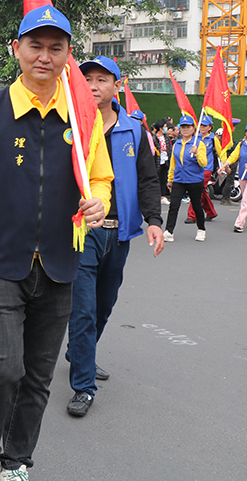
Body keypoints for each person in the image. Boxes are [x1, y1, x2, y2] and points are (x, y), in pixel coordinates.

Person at [0, 5, 111, 481]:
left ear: (67, 55)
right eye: (35, 45)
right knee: (3, 368)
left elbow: (99, 178)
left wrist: (98, 200)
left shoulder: (82, 119)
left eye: (55, 47)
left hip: (60, 263)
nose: (44, 56)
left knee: (37, 377)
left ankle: (16, 461)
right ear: (16, 50)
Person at [65, 56, 164, 418]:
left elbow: (148, 180)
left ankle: (80, 353)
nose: (92, 85)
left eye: (101, 79)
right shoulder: (70, 125)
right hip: (83, 230)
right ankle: (83, 386)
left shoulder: (135, 131)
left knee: (104, 305)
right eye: (86, 78)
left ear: (116, 86)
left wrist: (154, 220)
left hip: (119, 232)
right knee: (84, 311)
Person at [163, 115, 208, 242]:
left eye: (188, 127)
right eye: (183, 127)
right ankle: (169, 231)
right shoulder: (177, 143)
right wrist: (170, 179)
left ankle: (201, 229)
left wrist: (197, 153)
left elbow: (204, 163)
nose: (185, 129)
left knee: (197, 205)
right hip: (179, 180)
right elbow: (173, 162)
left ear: (194, 128)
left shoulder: (199, 144)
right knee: (174, 206)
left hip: (194, 180)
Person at [185, 116, 223, 225]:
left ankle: (192, 215)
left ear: (210, 127)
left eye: (204, 125)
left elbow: (220, 153)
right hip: (194, 168)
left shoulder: (212, 138)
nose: (202, 127)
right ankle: (211, 212)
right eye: (201, 125)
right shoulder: (195, 137)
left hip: (206, 169)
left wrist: (225, 166)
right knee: (201, 191)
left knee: (196, 191)